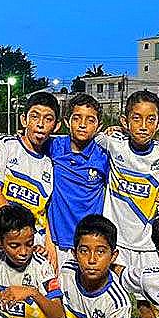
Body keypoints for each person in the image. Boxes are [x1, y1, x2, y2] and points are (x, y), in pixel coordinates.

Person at [95, 90, 159, 318]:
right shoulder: (112, 144)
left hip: (147, 247)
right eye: (136, 118)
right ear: (124, 121)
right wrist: (107, 131)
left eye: (150, 119)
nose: (143, 125)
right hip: (114, 244)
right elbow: (87, 136)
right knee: (105, 305)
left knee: (146, 311)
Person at [0, 91, 60, 257]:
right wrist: (15, 231)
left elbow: (47, 211)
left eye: (48, 119)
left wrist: (48, 245)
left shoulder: (50, 163)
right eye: (35, 117)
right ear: (24, 120)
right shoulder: (5, 145)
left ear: (56, 126)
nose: (41, 124)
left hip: (31, 249)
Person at [46, 93, 110, 269]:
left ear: (99, 126)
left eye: (90, 120)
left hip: (90, 243)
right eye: (77, 118)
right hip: (57, 241)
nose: (83, 125)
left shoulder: (104, 157)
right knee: (56, 293)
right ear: (67, 122)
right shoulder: (54, 147)